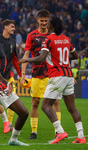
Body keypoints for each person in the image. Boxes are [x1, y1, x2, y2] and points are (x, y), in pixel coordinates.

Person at [19, 16, 86, 144]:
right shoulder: (66, 39)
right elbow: (76, 56)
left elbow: (41, 58)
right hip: (68, 76)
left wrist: (26, 59)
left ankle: (60, 132)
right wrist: (63, 59)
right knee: (72, 107)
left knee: (45, 106)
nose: (47, 25)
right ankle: (81, 136)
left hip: (57, 76)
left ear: (51, 26)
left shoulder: (49, 39)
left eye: (48, 23)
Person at [20, 9, 61, 139]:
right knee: (35, 102)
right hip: (37, 73)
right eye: (42, 21)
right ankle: (34, 131)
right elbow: (26, 55)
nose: (44, 23)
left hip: (52, 73)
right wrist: (22, 74)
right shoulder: (31, 36)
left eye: (46, 21)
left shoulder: (54, 36)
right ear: (37, 20)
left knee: (55, 102)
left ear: (49, 21)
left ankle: (58, 131)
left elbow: (59, 56)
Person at [0, 19, 22, 130]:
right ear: (5, 27)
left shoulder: (12, 42)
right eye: (12, 26)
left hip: (8, 76)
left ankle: (9, 124)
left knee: (11, 100)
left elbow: (15, 59)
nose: (14, 28)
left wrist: (20, 74)